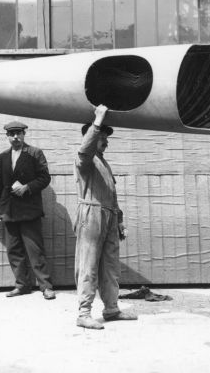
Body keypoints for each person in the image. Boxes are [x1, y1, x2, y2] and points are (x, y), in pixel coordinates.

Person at [73, 105, 137, 329]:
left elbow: (112, 194)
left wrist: (119, 220)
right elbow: (84, 152)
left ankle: (111, 309)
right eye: (102, 136)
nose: (106, 141)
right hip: (91, 215)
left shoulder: (103, 162)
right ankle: (83, 313)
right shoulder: (86, 160)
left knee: (110, 266)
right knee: (88, 265)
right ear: (91, 136)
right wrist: (97, 121)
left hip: (108, 217)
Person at [0, 121, 56, 300]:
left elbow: (45, 178)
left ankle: (46, 287)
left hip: (29, 210)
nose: (15, 137)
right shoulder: (3, 156)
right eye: (12, 134)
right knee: (14, 250)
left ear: (24, 134)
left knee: (35, 250)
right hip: (9, 210)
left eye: (19, 133)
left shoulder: (35, 153)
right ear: (7, 136)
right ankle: (22, 285)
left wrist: (27, 187)